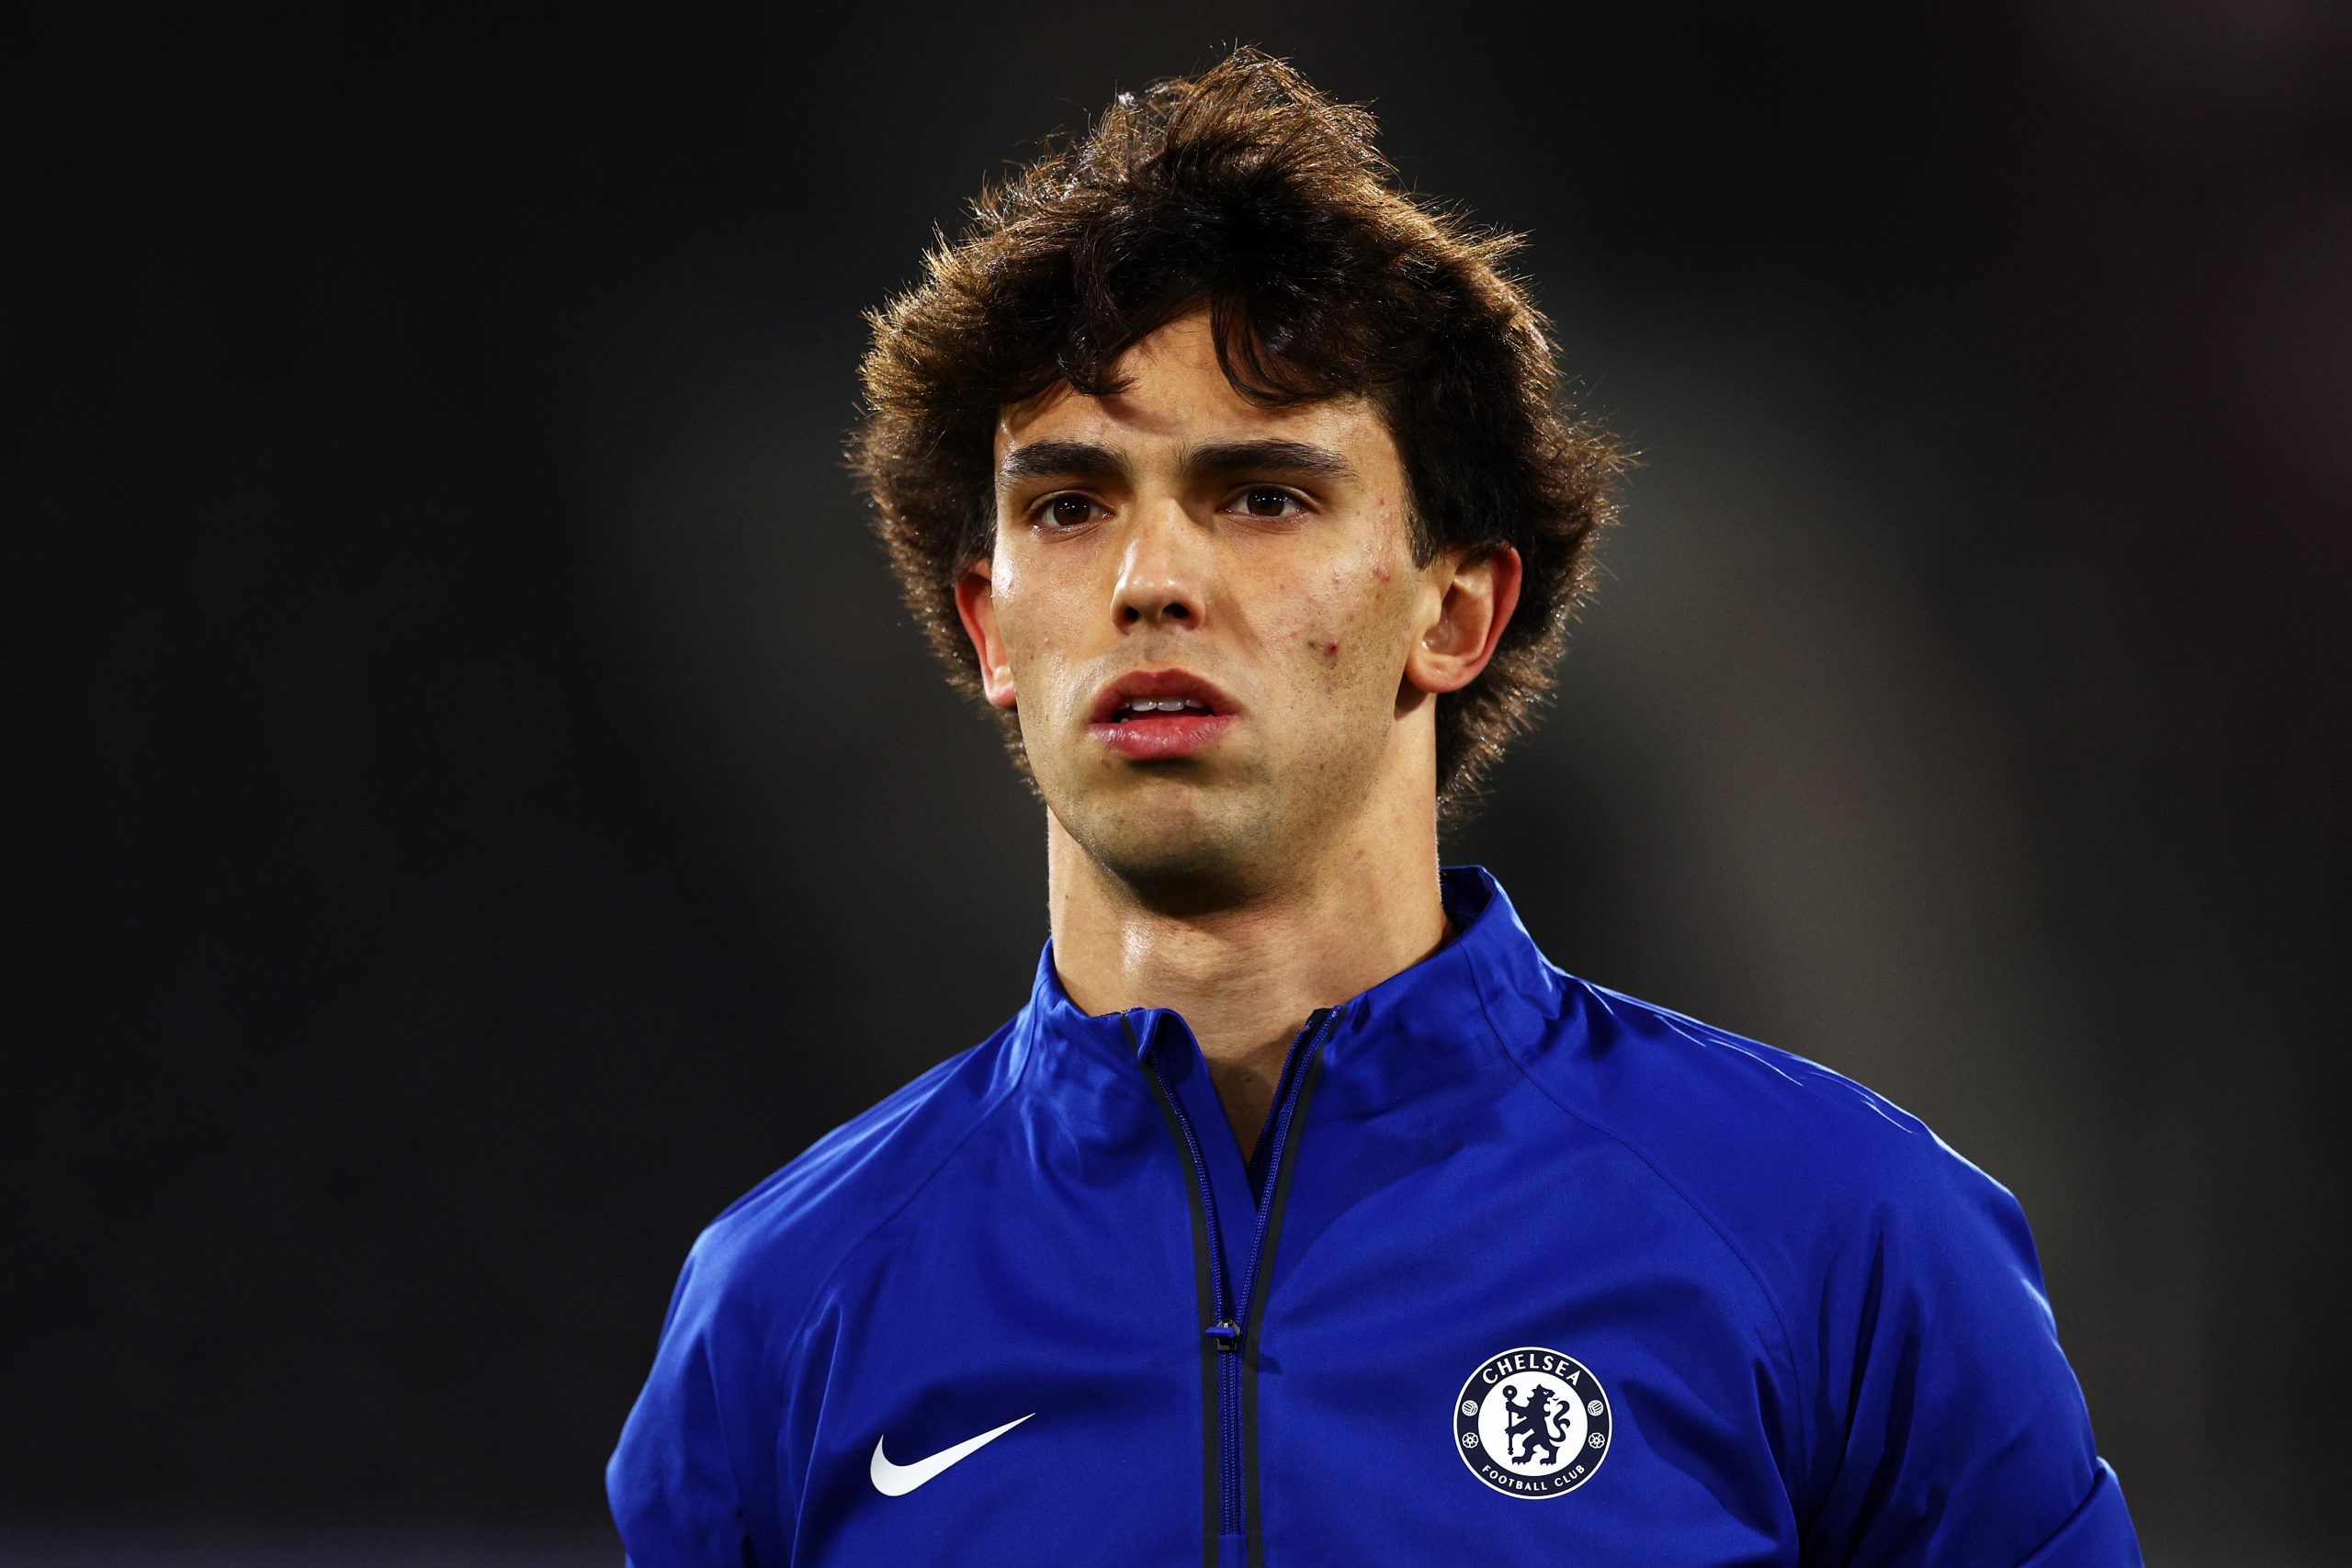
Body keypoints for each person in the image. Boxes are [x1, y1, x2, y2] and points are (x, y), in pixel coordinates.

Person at [607, 46, 2141, 1567]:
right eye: (1069, 507)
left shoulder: (1848, 1238)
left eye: (1262, 496)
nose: (1151, 581)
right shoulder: (783, 1307)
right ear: (993, 626)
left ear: (1456, 612)